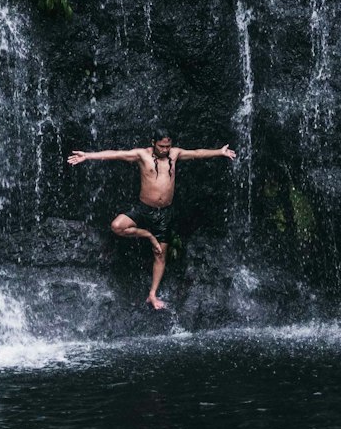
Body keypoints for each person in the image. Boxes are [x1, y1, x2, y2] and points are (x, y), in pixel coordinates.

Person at [67, 131, 237, 310]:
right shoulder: (142, 155)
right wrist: (87, 156)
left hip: (164, 213)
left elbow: (196, 153)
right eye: (161, 146)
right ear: (153, 143)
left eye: (167, 146)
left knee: (160, 254)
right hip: (143, 209)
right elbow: (116, 154)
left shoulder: (175, 153)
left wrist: (219, 152)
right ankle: (148, 235)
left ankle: (152, 294)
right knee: (117, 226)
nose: (165, 150)